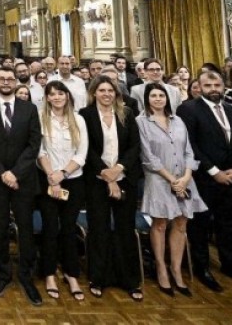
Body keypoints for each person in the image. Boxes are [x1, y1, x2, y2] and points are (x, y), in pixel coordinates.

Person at [177, 71, 232, 293]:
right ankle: (203, 267)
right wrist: (214, 171)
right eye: (208, 85)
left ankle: (231, 265)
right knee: (201, 225)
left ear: (223, 86)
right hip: (204, 178)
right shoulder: (188, 109)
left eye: (217, 84)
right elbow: (190, 144)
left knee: (228, 224)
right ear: (200, 86)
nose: (213, 88)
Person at [137, 82, 206, 297]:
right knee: (159, 223)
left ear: (167, 98)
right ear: (147, 99)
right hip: (158, 179)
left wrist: (185, 177)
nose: (158, 99)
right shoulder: (141, 122)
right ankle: (161, 267)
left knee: (181, 223)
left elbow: (188, 151)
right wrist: (171, 179)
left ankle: (176, 269)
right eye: (153, 96)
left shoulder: (178, 121)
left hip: (184, 179)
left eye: (161, 95)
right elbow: (148, 157)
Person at [0, 67, 43, 305]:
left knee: (26, 230)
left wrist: (15, 173)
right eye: (2, 79)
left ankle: (26, 276)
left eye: (10, 79)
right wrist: (2, 173)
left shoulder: (29, 109)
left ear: (16, 82)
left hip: (23, 180)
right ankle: (3, 274)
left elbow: (33, 143)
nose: (6, 82)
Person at [79, 76, 143, 300]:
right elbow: (86, 149)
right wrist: (108, 176)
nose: (106, 94)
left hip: (125, 176)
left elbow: (135, 145)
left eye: (110, 91)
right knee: (99, 228)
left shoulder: (127, 114)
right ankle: (99, 278)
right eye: (102, 90)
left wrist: (120, 169)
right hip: (97, 179)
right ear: (94, 93)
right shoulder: (84, 116)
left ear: (116, 94)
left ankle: (129, 280)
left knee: (125, 228)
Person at [36, 81, 88, 301]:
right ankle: (49, 274)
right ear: (47, 98)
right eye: (52, 94)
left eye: (60, 94)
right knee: (49, 227)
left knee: (68, 228)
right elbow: (40, 151)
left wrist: (63, 175)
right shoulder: (40, 118)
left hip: (73, 180)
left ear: (67, 96)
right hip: (47, 180)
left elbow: (81, 153)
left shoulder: (79, 119)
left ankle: (71, 274)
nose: (56, 98)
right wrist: (53, 178)